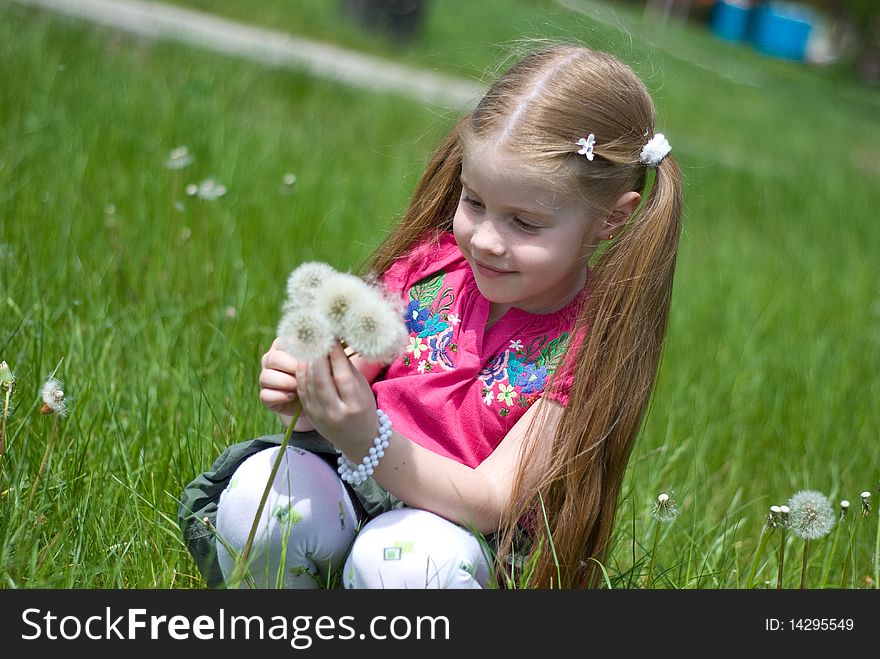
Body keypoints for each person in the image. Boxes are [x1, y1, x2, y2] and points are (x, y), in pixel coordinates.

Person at [179, 43, 683, 589]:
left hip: (453, 536)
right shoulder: (428, 272)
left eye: (526, 224)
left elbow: (493, 502)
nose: (486, 240)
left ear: (611, 219)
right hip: (350, 488)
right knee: (263, 495)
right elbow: (339, 390)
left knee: (412, 565)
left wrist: (367, 438)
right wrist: (305, 392)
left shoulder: (583, 348)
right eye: (474, 202)